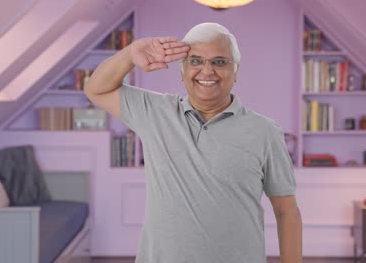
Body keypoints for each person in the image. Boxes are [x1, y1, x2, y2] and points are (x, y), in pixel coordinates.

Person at [85, 22, 302, 263]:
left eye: (219, 62)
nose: (207, 71)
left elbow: (286, 212)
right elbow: (96, 89)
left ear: (236, 71)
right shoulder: (155, 112)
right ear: (182, 70)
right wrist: (129, 54)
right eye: (196, 61)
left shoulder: (266, 132)